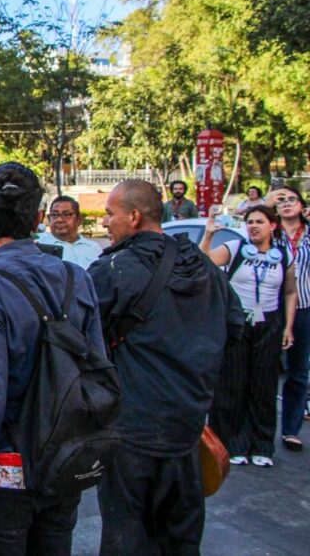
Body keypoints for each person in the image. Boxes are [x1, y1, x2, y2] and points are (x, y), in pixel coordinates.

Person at [0, 162, 103, 555]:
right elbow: (97, 368)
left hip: (7, 466)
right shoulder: (75, 277)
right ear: (39, 217)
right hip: (64, 456)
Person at [89, 179, 243, 555]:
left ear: (134, 216)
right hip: (187, 430)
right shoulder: (202, 268)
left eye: (110, 214)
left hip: (133, 430)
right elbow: (236, 327)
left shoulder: (113, 269)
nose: (106, 223)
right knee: (180, 539)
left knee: (126, 537)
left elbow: (80, 338)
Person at [202, 205, 296, 466]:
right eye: (250, 222)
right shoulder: (234, 248)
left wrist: (288, 326)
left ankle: (262, 445)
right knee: (232, 385)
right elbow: (203, 261)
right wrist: (209, 235)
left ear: (272, 225)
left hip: (269, 323)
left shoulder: (283, 255)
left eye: (260, 221)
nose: (254, 226)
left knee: (264, 386)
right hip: (237, 322)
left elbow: (290, 292)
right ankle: (231, 444)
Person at [266, 186, 310, 452]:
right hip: (272, 307)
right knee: (266, 370)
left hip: (305, 307)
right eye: (281, 200)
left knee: (298, 371)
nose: (286, 203)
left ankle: (291, 429)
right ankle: (261, 430)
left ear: (302, 207)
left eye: (292, 199)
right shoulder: (271, 235)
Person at [36, 195, 104, 269]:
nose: (59, 219)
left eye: (66, 214)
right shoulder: (38, 245)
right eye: (54, 215)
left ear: (79, 219)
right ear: (49, 219)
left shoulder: (94, 248)